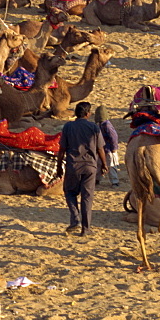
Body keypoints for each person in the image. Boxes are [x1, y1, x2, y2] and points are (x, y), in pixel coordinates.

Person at [57, 102, 107, 237]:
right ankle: (86, 229)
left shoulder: (68, 126)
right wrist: (104, 164)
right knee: (87, 197)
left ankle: (75, 219)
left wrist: (58, 166)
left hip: (73, 165)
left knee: (70, 192)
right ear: (87, 113)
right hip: (90, 166)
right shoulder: (94, 128)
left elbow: (61, 149)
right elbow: (100, 149)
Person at [94, 105, 119, 187]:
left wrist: (114, 148)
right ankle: (97, 180)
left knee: (111, 165)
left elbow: (113, 137)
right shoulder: (100, 125)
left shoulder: (107, 125)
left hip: (109, 149)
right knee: (99, 165)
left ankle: (114, 181)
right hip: (102, 149)